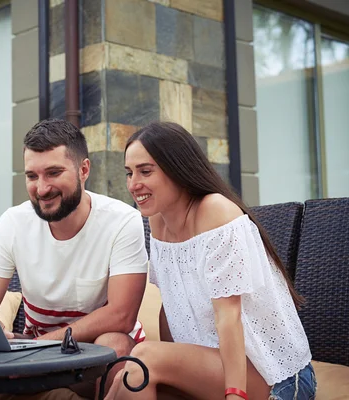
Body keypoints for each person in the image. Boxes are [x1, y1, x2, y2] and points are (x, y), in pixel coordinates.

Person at [107, 122, 316, 400]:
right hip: (213, 368)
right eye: (129, 173)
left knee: (143, 357)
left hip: (278, 378)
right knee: (133, 374)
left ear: (176, 168)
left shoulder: (216, 212)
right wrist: (172, 369)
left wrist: (234, 395)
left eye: (145, 171)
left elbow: (229, 316)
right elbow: (169, 307)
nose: (133, 184)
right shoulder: (158, 221)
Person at [0, 118, 149, 398]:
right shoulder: (13, 222)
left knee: (113, 344)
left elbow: (122, 316)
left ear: (83, 170)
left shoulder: (121, 221)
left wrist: (41, 347)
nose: (42, 189)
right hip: (36, 357)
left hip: (95, 355)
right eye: (32, 176)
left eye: (53, 173)